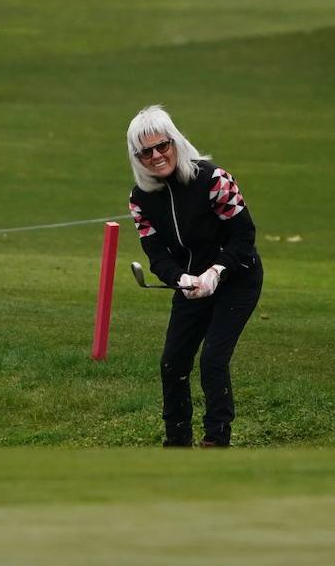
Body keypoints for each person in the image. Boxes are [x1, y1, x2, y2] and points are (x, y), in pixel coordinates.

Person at [126, 104, 264, 448]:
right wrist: (181, 280)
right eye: (146, 152)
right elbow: (156, 254)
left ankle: (216, 440)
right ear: (136, 158)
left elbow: (243, 237)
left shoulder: (214, 180)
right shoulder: (140, 198)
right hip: (191, 285)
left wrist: (217, 272)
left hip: (237, 278)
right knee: (172, 363)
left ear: (176, 142)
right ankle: (177, 442)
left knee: (213, 359)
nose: (157, 156)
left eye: (163, 146)